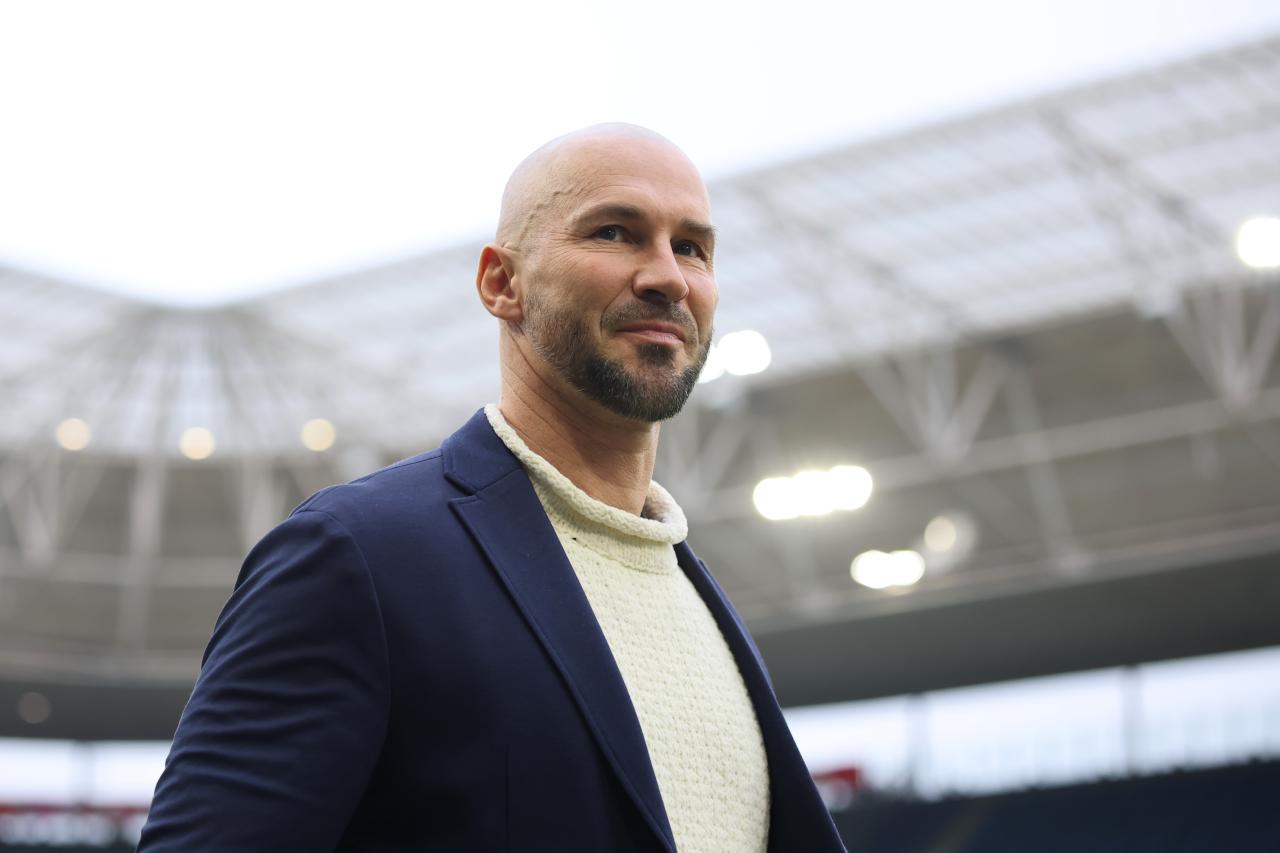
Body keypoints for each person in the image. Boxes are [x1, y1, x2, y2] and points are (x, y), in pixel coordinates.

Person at [139, 124, 847, 852]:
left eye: (692, 247)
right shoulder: (360, 557)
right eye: (614, 232)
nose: (668, 276)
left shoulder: (702, 605)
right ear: (501, 283)